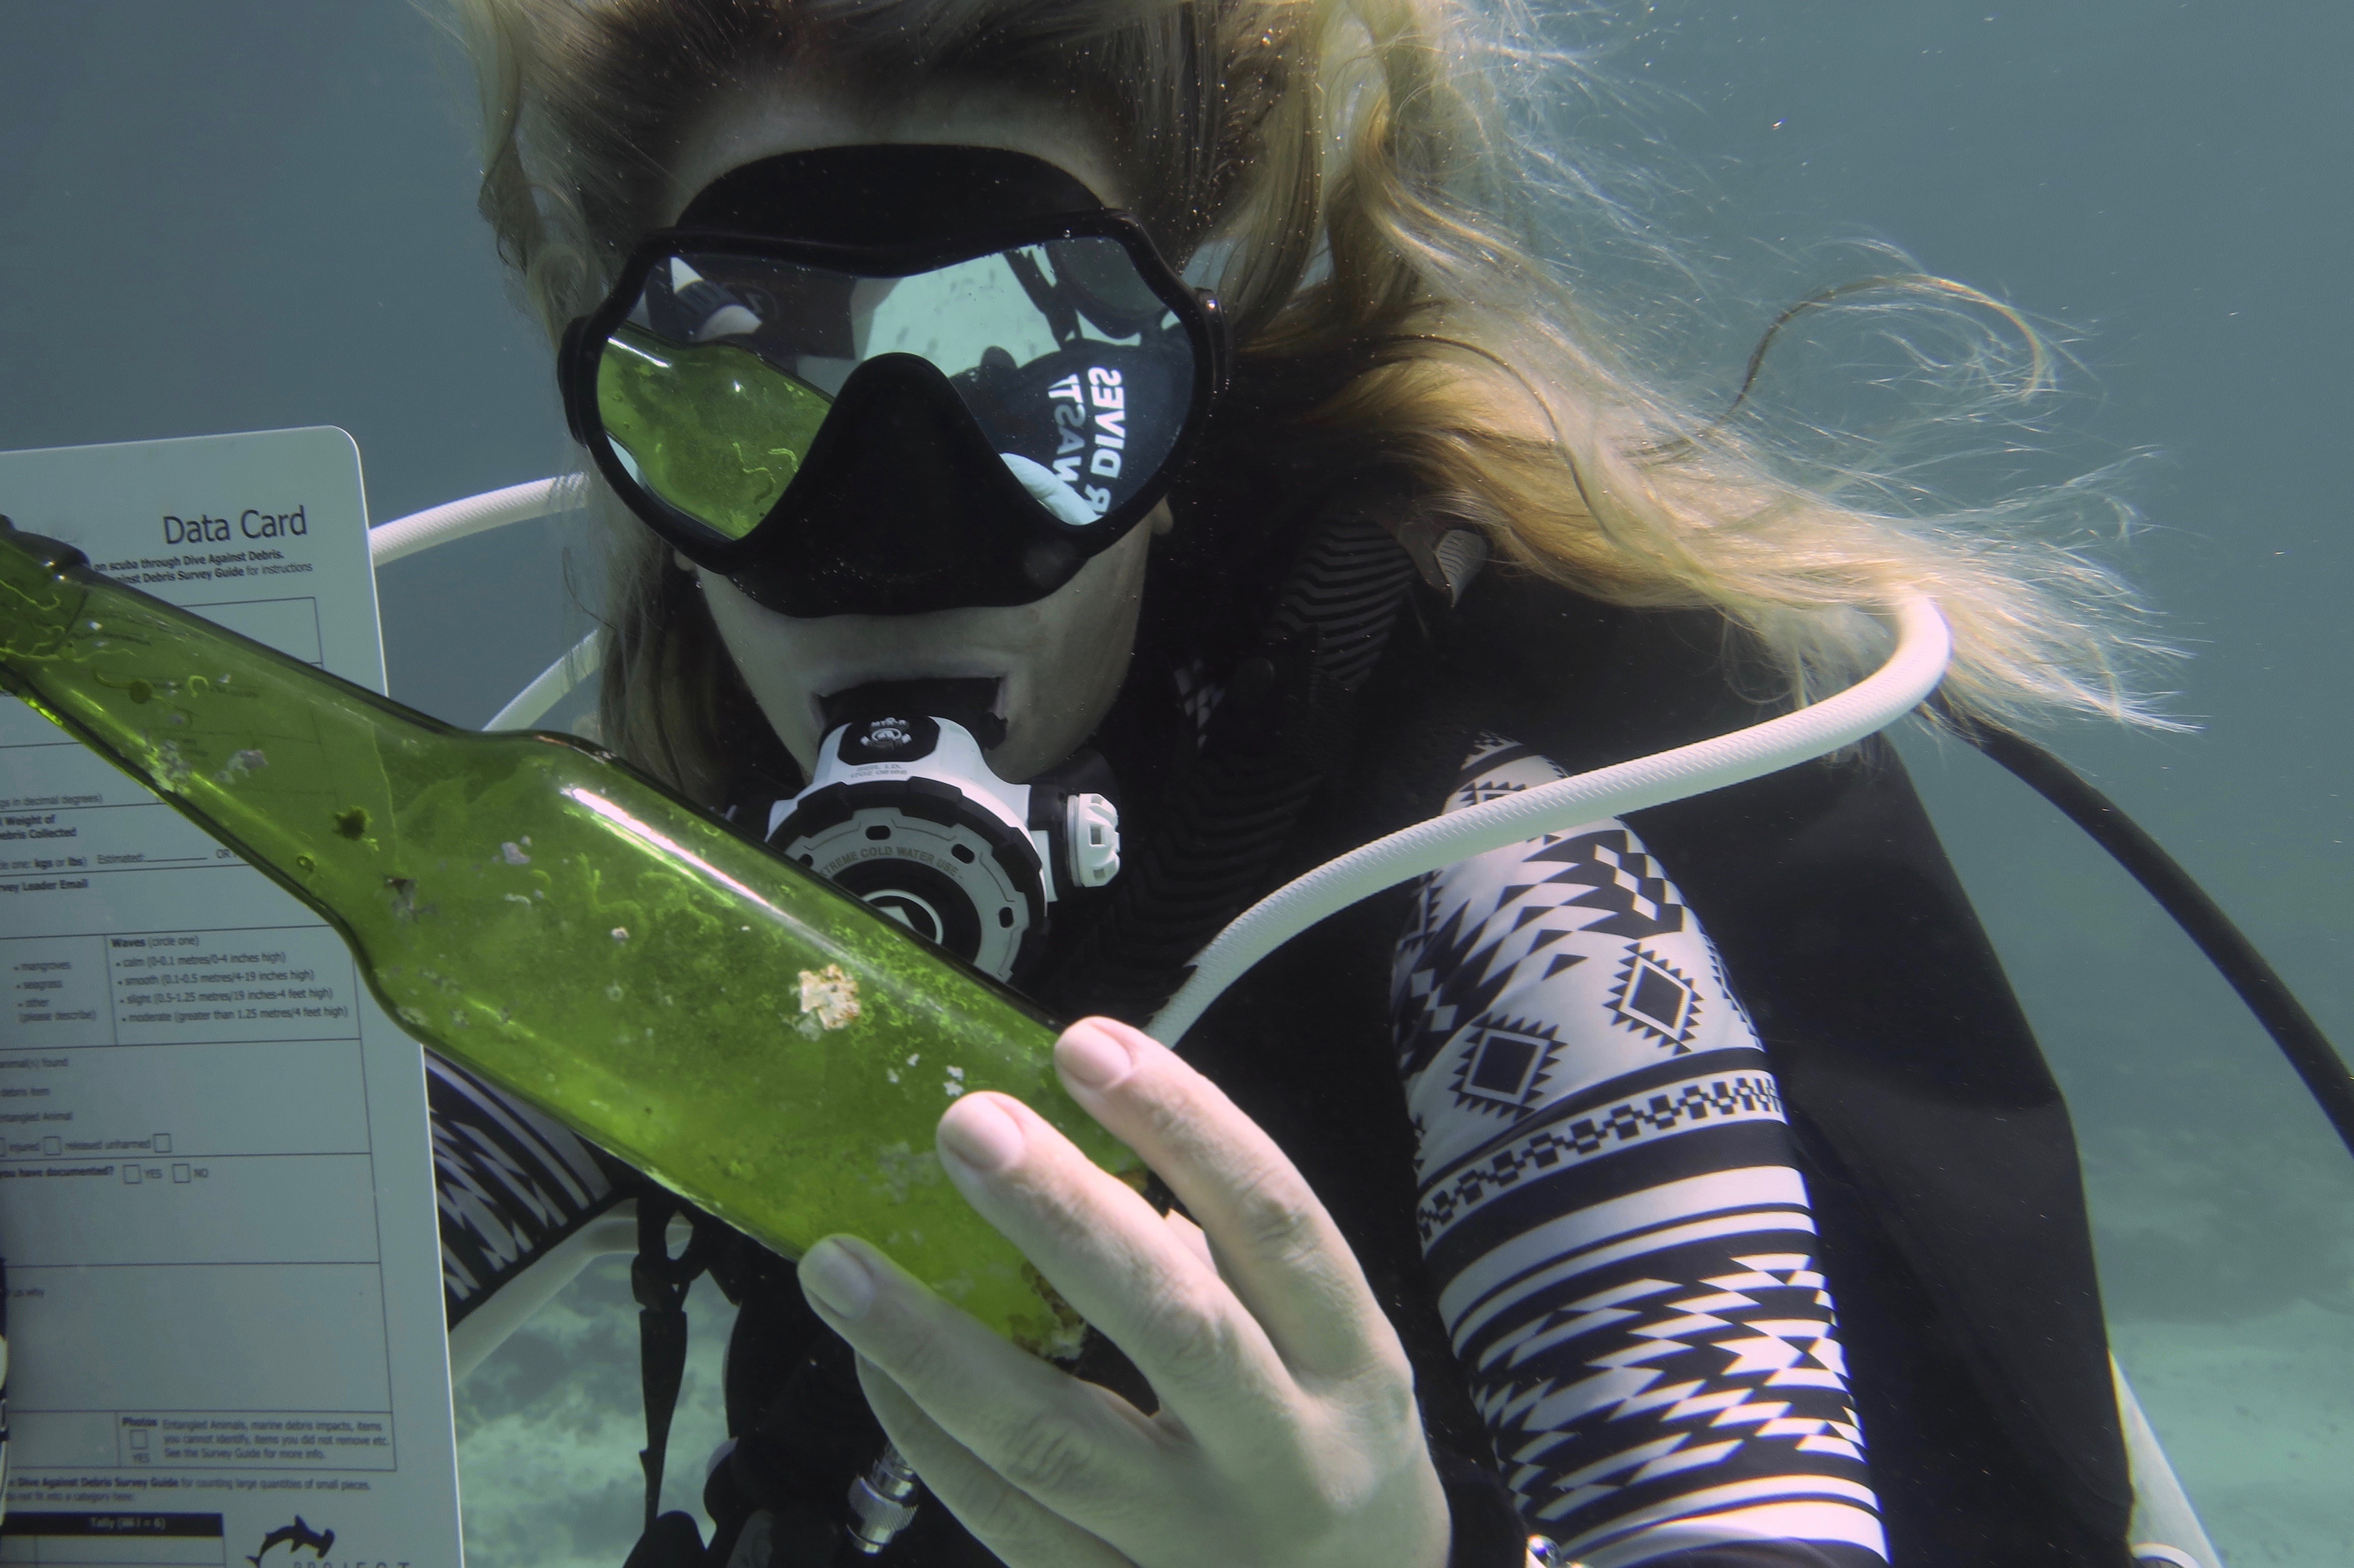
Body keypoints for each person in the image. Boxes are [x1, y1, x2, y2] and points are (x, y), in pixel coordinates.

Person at [423, 3, 2166, 1564]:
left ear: (1180, 430)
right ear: (631, 448)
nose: (898, 539)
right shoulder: (638, 891)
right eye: (750, 398)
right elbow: (223, 1338)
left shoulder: (1488, 896)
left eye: (1045, 400)